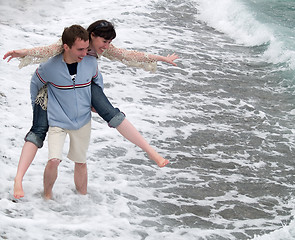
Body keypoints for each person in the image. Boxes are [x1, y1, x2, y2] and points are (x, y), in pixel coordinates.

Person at [4, 20, 178, 199]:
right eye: (104, 41)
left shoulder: (98, 52)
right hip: (51, 89)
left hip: (85, 82)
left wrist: (160, 58)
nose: (107, 46)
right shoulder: (71, 44)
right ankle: (20, 180)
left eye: (109, 42)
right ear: (92, 36)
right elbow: (43, 53)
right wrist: (23, 54)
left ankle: (151, 152)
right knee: (38, 130)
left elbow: (128, 56)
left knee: (111, 113)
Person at [31, 25, 104, 199]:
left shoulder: (91, 62)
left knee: (81, 162)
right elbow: (35, 84)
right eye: (80, 50)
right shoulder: (49, 67)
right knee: (54, 160)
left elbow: (98, 82)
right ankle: (47, 197)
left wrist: (96, 103)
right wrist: (38, 109)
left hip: (83, 120)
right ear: (66, 47)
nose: (84, 53)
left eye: (86, 49)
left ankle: (82, 198)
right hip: (58, 120)